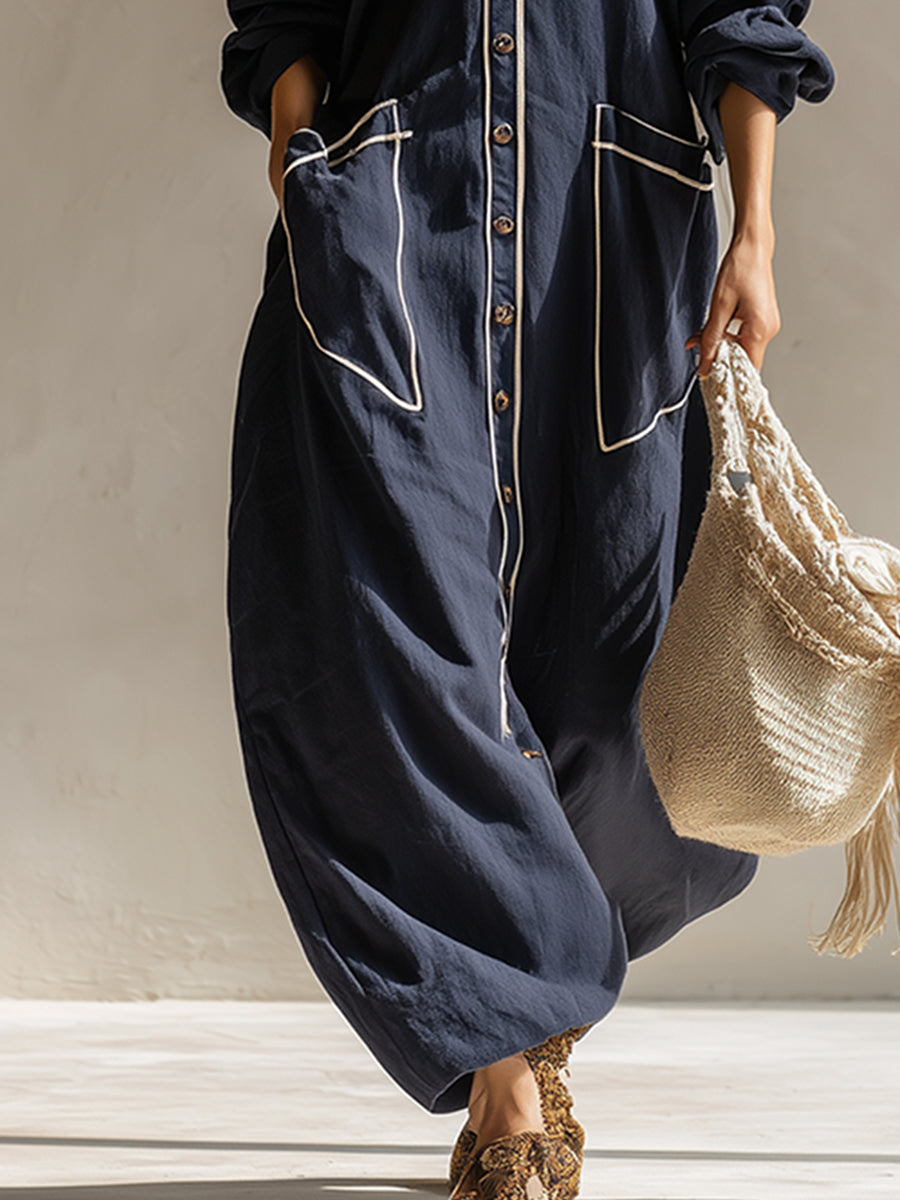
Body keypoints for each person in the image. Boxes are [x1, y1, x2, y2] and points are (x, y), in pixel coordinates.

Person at [219, 3, 835, 1197]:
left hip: (603, 241)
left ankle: (530, 981)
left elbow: (738, 17)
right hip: (398, 244)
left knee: (619, 682)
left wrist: (755, 228)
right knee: (401, 652)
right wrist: (304, 174)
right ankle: (509, 1077)